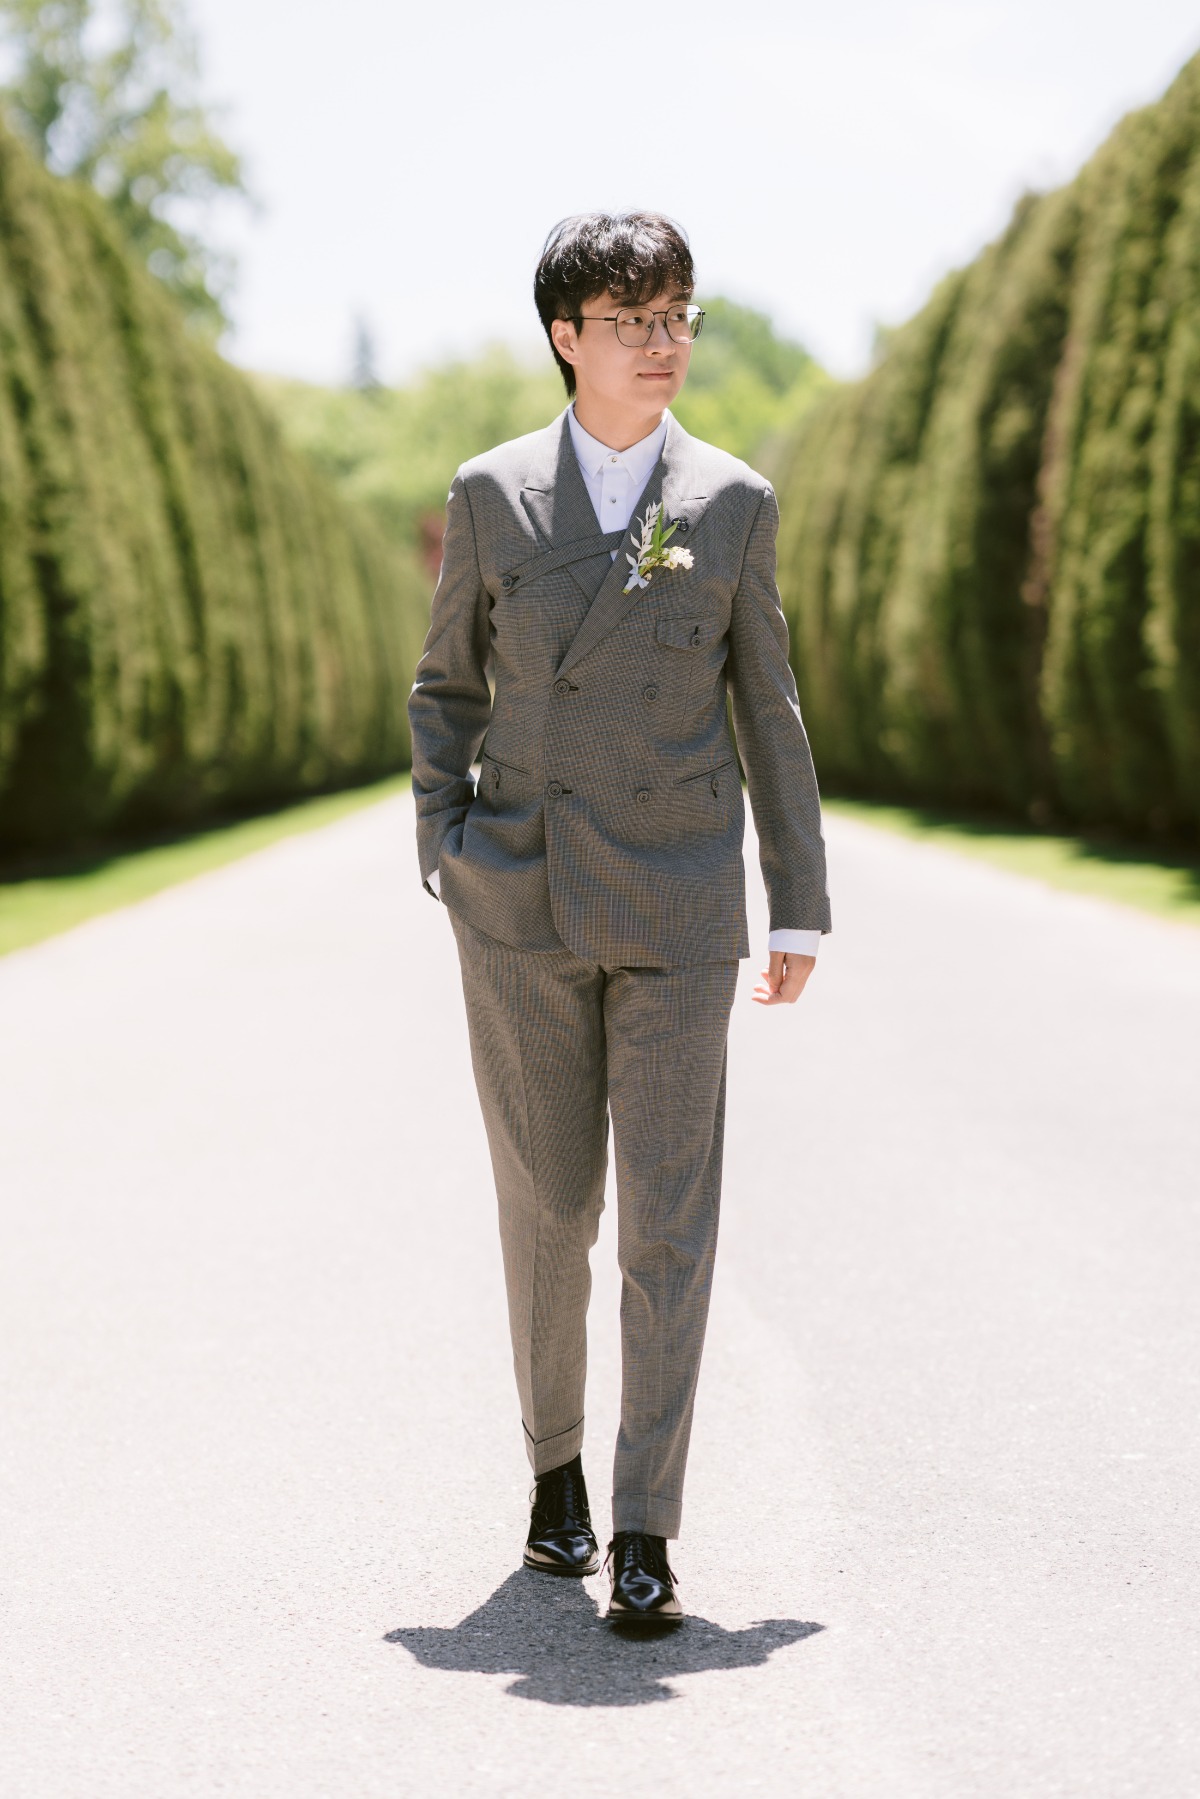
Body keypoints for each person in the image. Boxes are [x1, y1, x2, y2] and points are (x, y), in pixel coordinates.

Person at [408, 211, 830, 1626]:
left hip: (678, 893)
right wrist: (443, 844)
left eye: (679, 317)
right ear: (564, 337)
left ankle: (649, 1526)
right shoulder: (491, 495)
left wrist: (801, 904)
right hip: (519, 900)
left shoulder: (732, 502)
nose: (665, 345)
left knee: (669, 1220)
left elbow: (768, 710)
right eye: (633, 319)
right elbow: (443, 690)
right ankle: (555, 1481)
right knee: (551, 1209)